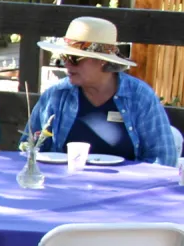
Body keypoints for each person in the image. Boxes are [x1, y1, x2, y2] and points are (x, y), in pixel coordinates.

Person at [28, 16, 180, 166]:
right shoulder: (56, 94)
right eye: (63, 57)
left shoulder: (140, 96)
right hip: (64, 180)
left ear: (102, 60)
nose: (66, 64)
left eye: (74, 58)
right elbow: (29, 149)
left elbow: (163, 158)